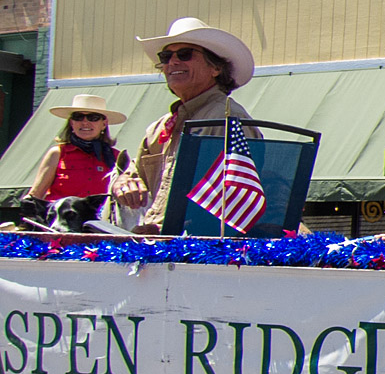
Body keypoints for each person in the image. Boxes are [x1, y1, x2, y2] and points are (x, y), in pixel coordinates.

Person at [109, 17, 258, 234]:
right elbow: (133, 172)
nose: (173, 62)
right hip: (158, 245)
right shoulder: (159, 128)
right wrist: (123, 183)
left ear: (216, 68)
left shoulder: (227, 119)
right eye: (166, 57)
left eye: (185, 54)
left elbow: (243, 201)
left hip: (199, 248)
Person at [29, 94, 126, 205]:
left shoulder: (116, 157)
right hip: (61, 219)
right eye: (78, 117)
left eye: (93, 118)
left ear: (104, 124)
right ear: (71, 123)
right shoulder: (58, 153)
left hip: (100, 220)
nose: (85, 122)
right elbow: (36, 194)